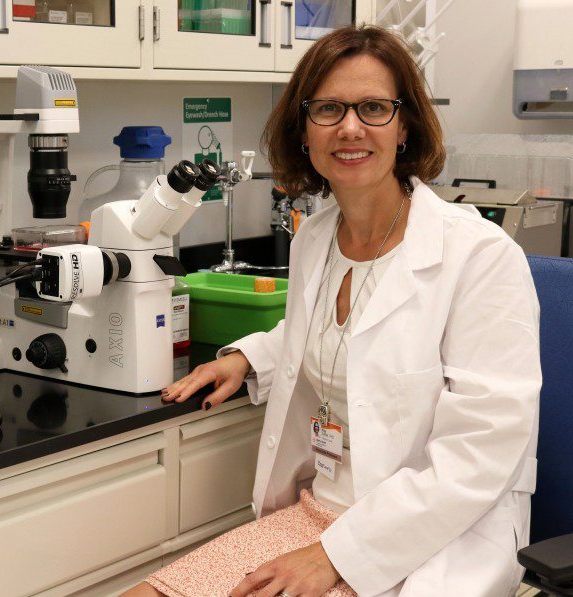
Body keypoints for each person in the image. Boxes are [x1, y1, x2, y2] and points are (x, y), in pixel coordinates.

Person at [123, 24, 541, 597]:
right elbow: (334, 333)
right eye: (328, 109)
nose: (350, 127)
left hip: (434, 539)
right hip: (318, 513)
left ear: (405, 125)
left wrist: (335, 557)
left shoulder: (481, 258)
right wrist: (251, 356)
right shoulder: (315, 239)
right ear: (304, 131)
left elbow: (479, 454)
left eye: (373, 107)